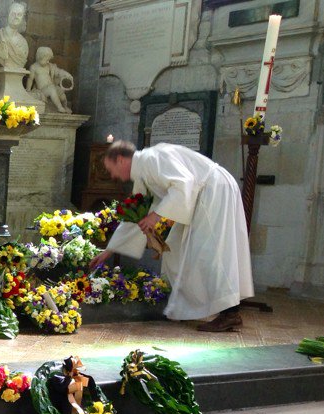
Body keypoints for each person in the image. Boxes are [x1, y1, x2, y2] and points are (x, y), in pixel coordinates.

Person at [89, 140, 255, 332]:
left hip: (212, 190)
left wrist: (157, 215)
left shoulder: (153, 158)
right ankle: (187, 306)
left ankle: (230, 313)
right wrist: (108, 252)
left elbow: (183, 183)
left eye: (111, 170)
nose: (112, 176)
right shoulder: (143, 173)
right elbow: (136, 215)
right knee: (174, 249)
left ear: (119, 159)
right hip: (202, 194)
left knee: (210, 252)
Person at [28, 46, 73, 114]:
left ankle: (65, 106)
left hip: (52, 86)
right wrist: (28, 90)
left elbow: (59, 71)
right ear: (40, 57)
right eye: (46, 60)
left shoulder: (50, 66)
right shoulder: (34, 67)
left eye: (49, 60)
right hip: (43, 90)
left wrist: (67, 75)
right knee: (51, 89)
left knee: (63, 96)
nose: (48, 61)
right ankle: (59, 107)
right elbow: (30, 79)